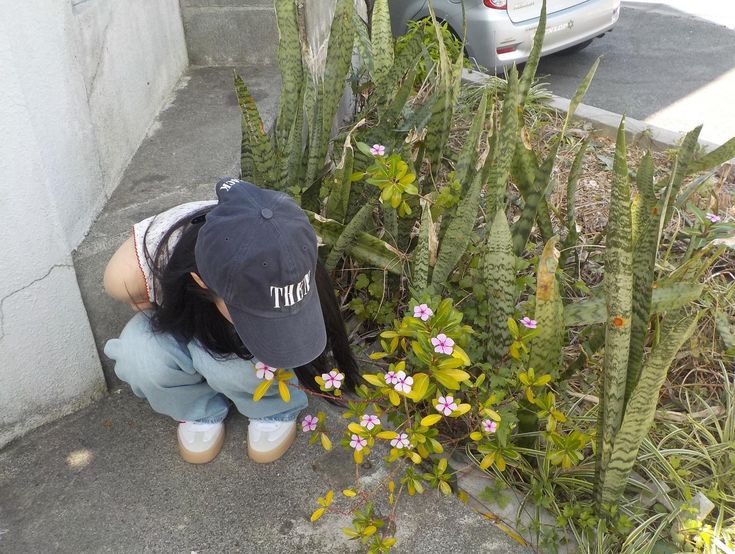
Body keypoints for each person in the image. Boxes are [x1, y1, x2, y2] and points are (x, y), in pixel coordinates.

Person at [102, 178, 359, 464]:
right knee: (141, 356)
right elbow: (149, 310)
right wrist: (198, 351)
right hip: (184, 314)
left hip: (214, 312)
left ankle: (271, 407)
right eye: (251, 310)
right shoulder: (132, 272)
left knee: (241, 366)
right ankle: (197, 407)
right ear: (201, 281)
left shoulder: (284, 245)